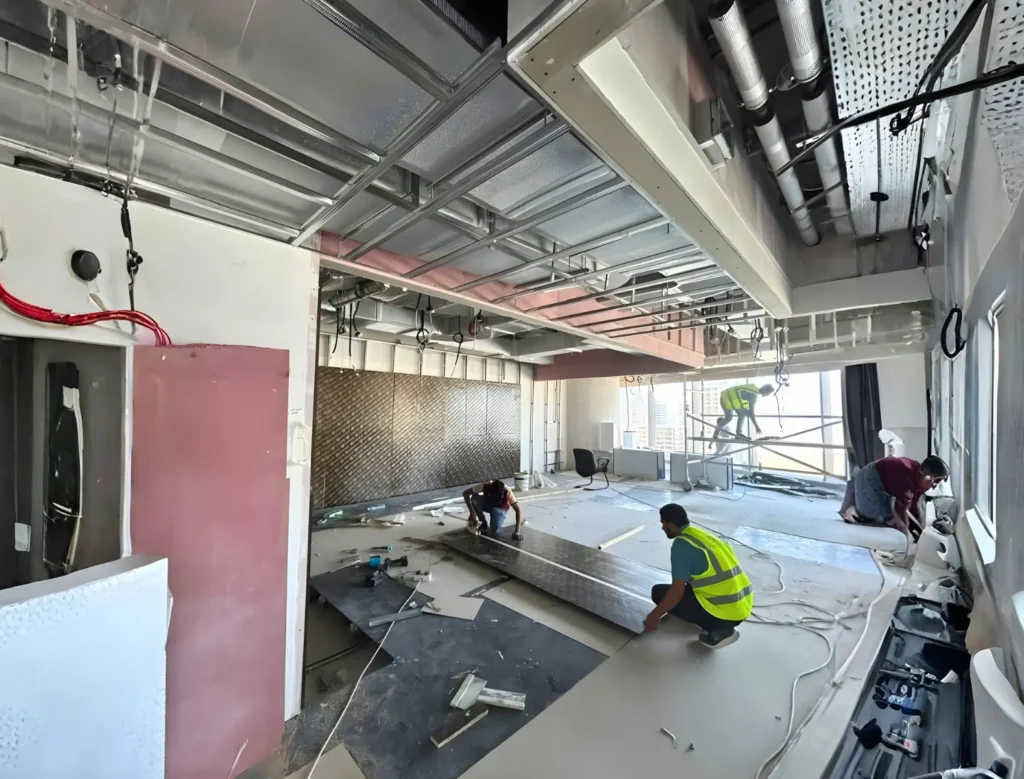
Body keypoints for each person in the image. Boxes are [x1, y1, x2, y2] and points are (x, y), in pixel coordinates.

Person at [645, 503, 753, 648]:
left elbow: (677, 592)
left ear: (670, 524)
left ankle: (719, 630)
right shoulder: (700, 534)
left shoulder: (681, 545)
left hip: (726, 615)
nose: (662, 528)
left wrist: (653, 616)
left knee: (658, 593)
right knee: (683, 587)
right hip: (743, 605)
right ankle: (718, 622)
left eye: (663, 524)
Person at [840, 455, 949, 543]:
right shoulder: (906, 477)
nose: (934, 486)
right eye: (935, 482)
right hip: (868, 478)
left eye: (938, 483)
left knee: (891, 517)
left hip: (883, 482)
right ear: (927, 477)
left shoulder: (923, 480)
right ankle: (853, 504)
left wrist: (921, 529)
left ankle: (857, 496)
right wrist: (907, 533)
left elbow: (915, 506)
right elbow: (900, 509)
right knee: (878, 518)